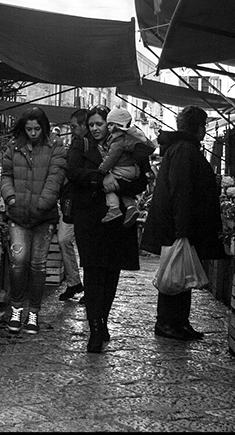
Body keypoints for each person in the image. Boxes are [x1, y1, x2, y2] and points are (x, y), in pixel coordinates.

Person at [140, 105, 226, 341]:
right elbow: (181, 191)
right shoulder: (184, 151)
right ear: (199, 128)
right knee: (175, 274)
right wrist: (182, 229)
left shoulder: (182, 149)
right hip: (178, 226)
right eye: (204, 126)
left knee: (181, 273)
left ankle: (179, 321)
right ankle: (167, 322)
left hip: (180, 225)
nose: (205, 130)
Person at [64, 105, 141, 353]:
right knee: (94, 272)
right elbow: (74, 173)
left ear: (110, 124)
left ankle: (103, 320)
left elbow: (142, 178)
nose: (96, 128)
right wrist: (100, 178)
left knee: (111, 274)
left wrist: (117, 182)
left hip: (118, 221)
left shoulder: (126, 141)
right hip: (90, 217)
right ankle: (95, 328)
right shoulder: (81, 145)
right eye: (92, 124)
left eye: (100, 124)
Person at [0, 106, 67, 335]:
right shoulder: (13, 146)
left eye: (37, 128)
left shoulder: (55, 146)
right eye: (29, 129)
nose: (33, 133)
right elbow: (6, 175)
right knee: (18, 263)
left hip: (43, 218)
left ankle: (34, 313)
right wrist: (10, 199)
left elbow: (55, 178)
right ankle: (17, 309)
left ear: (44, 127)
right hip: (18, 215)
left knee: (38, 265)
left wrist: (41, 205)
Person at [97, 107, 156, 225]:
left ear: (117, 125)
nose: (108, 127)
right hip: (133, 170)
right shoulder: (129, 138)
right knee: (122, 190)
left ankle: (113, 208)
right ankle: (131, 207)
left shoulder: (117, 141)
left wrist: (101, 170)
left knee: (106, 185)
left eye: (110, 124)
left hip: (122, 169)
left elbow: (111, 158)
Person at [58, 109, 87, 302]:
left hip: (85, 203)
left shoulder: (89, 146)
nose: (73, 130)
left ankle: (88, 288)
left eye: (75, 127)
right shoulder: (75, 145)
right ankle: (74, 282)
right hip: (70, 202)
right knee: (63, 239)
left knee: (86, 246)